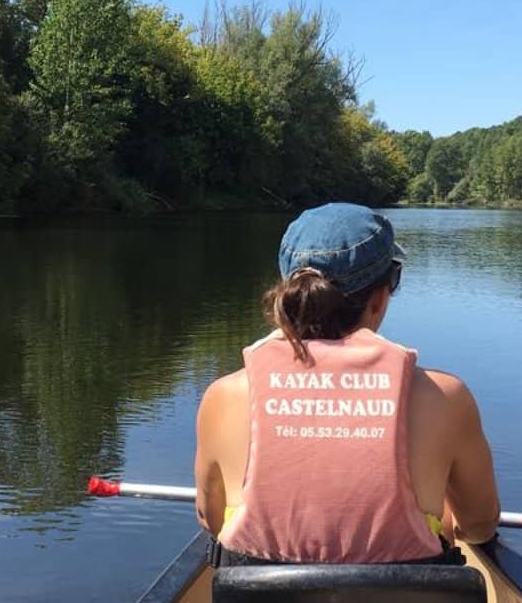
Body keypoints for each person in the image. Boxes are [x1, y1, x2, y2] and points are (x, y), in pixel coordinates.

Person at [194, 202, 500, 568]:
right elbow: (480, 526)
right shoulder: (445, 398)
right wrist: (437, 520)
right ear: (380, 296)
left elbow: (211, 520)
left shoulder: (225, 396)